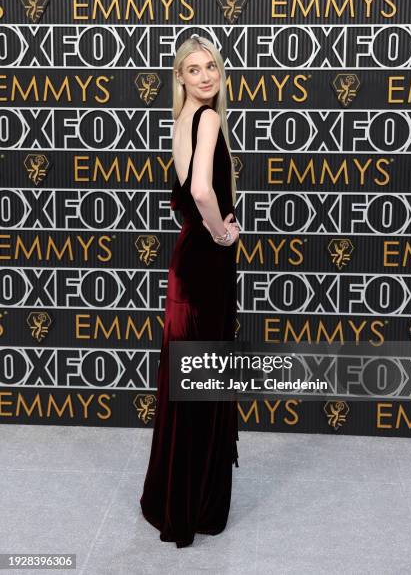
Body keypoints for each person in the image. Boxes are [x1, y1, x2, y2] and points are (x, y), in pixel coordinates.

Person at [139, 35, 240, 548]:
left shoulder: (181, 121)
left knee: (186, 382)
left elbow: (186, 190)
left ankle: (169, 500)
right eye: (193, 69)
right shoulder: (210, 120)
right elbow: (201, 190)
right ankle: (195, 508)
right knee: (203, 381)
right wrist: (224, 234)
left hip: (184, 265)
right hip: (205, 266)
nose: (205, 76)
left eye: (212, 68)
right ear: (178, 76)